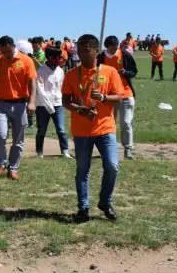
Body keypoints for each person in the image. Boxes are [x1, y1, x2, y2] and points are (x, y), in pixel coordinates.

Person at [62, 34, 125, 223]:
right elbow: (66, 100)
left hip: (105, 128)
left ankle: (105, 202)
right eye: (79, 50)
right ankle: (83, 207)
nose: (81, 54)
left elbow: (120, 97)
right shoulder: (71, 75)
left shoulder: (110, 72)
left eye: (86, 50)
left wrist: (104, 98)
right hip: (82, 131)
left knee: (112, 166)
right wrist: (79, 110)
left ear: (96, 50)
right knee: (82, 170)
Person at [0, 36, 36, 180]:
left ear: (13, 46)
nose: (6, 55)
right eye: (3, 52)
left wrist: (32, 102)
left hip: (20, 104)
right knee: (1, 135)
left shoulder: (26, 61)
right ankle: (1, 164)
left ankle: (13, 168)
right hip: (1, 104)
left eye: (8, 51)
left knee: (18, 139)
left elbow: (32, 83)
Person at [100, 36, 138, 160]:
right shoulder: (101, 57)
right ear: (106, 47)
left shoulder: (124, 54)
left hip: (126, 94)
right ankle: (108, 148)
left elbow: (134, 71)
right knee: (108, 123)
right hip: (109, 96)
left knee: (126, 123)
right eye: (111, 48)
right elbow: (96, 74)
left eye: (115, 48)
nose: (113, 50)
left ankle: (128, 149)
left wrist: (125, 73)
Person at [35, 47, 71, 159]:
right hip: (43, 105)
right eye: (57, 57)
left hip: (58, 104)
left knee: (61, 129)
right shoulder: (41, 70)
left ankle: (65, 151)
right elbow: (40, 90)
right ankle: (39, 152)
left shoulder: (60, 71)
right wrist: (49, 106)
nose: (60, 59)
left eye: (60, 57)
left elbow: (61, 87)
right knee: (42, 130)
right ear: (50, 57)